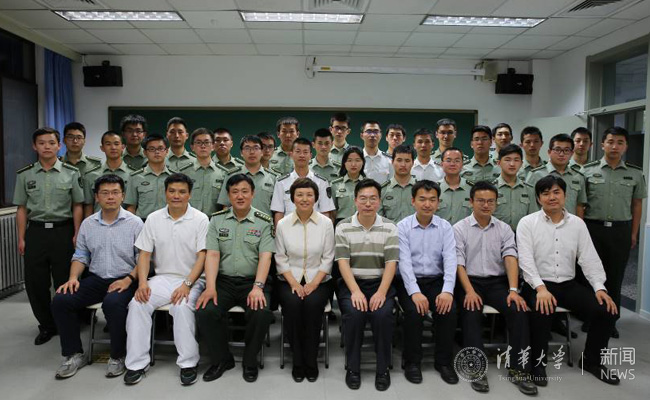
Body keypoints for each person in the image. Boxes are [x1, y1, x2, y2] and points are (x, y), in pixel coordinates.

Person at [517, 175, 620, 385]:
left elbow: (589, 258)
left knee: (607, 310)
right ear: (538, 198)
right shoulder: (527, 223)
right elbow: (525, 261)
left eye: (557, 192)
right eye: (546, 193)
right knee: (541, 310)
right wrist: (541, 289)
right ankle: (537, 363)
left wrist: (599, 288)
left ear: (565, 195)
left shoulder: (578, 224)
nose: (552, 197)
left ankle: (591, 361)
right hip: (537, 284)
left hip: (568, 284)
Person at [51, 175, 143, 379]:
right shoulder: (88, 224)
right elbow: (81, 255)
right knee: (61, 300)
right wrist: (73, 278)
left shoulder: (135, 223)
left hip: (126, 279)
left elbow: (143, 259)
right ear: (97, 197)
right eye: (105, 193)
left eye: (115, 192)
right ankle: (74, 354)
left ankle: (118, 356)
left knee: (112, 303)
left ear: (123, 196)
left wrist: (129, 279)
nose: (110, 197)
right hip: (96, 279)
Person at [123, 173, 208, 386]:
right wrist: (143, 283)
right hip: (162, 278)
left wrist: (187, 284)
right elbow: (144, 254)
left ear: (189, 195)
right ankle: (136, 364)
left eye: (182, 192)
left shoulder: (200, 219)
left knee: (181, 307)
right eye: (172, 191)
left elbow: (202, 257)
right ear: (165, 193)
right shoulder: (153, 218)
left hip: (192, 279)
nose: (176, 196)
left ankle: (188, 363)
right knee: (137, 303)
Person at [453, 181, 536, 395]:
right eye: (481, 200)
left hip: (497, 283)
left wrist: (513, 290)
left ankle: (519, 369)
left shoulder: (503, 228)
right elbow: (458, 263)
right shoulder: (459, 228)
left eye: (490, 201)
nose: (486, 205)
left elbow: (510, 257)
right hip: (469, 281)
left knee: (518, 310)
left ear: (496, 203)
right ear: (471, 202)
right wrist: (469, 291)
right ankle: (476, 369)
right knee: (471, 311)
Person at [196, 174, 275, 383]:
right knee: (206, 311)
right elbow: (213, 255)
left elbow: (265, 257)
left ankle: (250, 361)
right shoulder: (217, 220)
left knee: (261, 312)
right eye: (235, 192)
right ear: (228, 195)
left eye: (244, 191)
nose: (240, 196)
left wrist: (258, 287)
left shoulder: (264, 221)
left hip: (253, 281)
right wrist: (210, 287)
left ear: (253, 194)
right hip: (223, 281)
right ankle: (222, 360)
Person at [13, 127, 84, 345]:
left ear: (58, 146)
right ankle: (46, 325)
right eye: (42, 143)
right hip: (35, 232)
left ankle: (65, 321)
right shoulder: (25, 175)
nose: (47, 147)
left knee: (65, 280)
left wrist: (77, 233)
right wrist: (21, 238)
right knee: (36, 282)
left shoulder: (71, 172)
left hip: (63, 231)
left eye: (51, 143)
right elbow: (21, 209)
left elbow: (77, 205)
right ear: (34, 146)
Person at [583, 126, 646, 338]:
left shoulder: (635, 173)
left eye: (620, 142)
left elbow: (637, 205)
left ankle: (610, 321)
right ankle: (591, 318)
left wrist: (634, 233)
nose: (614, 146)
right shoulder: (588, 171)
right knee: (591, 276)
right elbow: (581, 204)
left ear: (626, 146)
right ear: (602, 144)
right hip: (593, 229)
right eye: (610, 142)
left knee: (615, 278)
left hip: (621, 231)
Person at [336, 179, 399, 392]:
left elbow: (391, 263)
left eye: (373, 198)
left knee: (382, 315)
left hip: (381, 283)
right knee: (355, 315)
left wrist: (381, 292)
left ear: (379, 201)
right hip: (352, 283)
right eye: (363, 198)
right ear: (355, 201)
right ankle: (353, 368)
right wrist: (355, 291)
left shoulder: (390, 227)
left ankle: (383, 369)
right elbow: (342, 263)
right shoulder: (343, 227)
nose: (368, 203)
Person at [396, 180, 459, 385]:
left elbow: (450, 260)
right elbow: (404, 263)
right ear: (413, 201)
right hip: (409, 282)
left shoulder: (445, 227)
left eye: (432, 200)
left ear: (438, 203)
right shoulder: (403, 227)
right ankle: (412, 362)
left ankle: (444, 362)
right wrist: (415, 292)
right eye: (422, 199)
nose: (427, 204)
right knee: (414, 312)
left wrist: (447, 291)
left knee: (448, 311)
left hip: (436, 281)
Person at [275, 178, 334, 383]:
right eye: (299, 195)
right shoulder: (283, 224)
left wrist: (313, 284)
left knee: (312, 305)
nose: (304, 199)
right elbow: (280, 258)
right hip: (288, 279)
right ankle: (297, 360)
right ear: (292, 198)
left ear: (316, 198)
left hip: (319, 279)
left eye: (309, 195)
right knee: (292, 305)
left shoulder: (326, 223)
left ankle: (311, 360)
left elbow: (328, 257)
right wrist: (294, 283)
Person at [271, 138, 335, 225]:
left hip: (315, 228)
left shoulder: (322, 182)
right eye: (298, 152)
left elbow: (325, 212)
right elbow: (279, 212)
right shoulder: (281, 183)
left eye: (305, 152)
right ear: (291, 154)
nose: (302, 155)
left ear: (310, 155)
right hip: (289, 229)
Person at [526, 134, 587, 217]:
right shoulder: (536, 175)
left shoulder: (578, 176)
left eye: (566, 150)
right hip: (543, 222)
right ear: (549, 152)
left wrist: (578, 223)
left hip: (569, 223)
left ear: (572, 153)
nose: (561, 154)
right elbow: (529, 204)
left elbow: (579, 205)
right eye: (557, 150)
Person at [218, 135, 277, 216]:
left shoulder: (273, 177)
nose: (252, 152)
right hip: (237, 222)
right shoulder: (231, 175)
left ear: (262, 152)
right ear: (241, 153)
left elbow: (277, 209)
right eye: (247, 148)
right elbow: (226, 205)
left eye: (256, 148)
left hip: (264, 223)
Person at [177, 128, 230, 216]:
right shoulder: (183, 173)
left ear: (213, 146)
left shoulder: (223, 173)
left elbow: (226, 205)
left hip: (214, 220)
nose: (203, 146)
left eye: (206, 142)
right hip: (189, 220)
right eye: (198, 142)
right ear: (192, 147)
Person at [83, 130, 135, 217]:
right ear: (102, 148)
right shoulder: (91, 175)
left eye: (116, 144)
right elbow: (88, 205)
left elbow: (132, 205)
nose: (113, 147)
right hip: (99, 222)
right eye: (108, 144)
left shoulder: (133, 174)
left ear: (123, 147)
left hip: (124, 221)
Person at [124, 134, 175, 220]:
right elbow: (131, 207)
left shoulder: (175, 177)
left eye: (160, 148)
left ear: (167, 151)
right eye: (152, 149)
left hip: (170, 221)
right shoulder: (135, 177)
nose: (157, 152)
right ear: (145, 152)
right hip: (143, 222)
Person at [493, 144, 538, 231]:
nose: (512, 164)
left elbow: (534, 218)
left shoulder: (529, 189)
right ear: (498, 163)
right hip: (496, 236)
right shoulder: (490, 189)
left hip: (522, 236)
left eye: (516, 160)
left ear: (521, 163)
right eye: (507, 160)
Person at [379, 145, 417, 223]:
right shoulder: (382, 190)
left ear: (413, 163)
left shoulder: (420, 189)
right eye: (399, 160)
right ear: (392, 162)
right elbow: (378, 220)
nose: (403, 164)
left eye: (407, 161)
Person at [437, 147, 473, 225]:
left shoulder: (472, 189)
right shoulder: (434, 189)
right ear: (442, 164)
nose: (452, 164)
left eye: (457, 161)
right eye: (448, 160)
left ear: (462, 164)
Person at [331, 146, 365, 225]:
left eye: (357, 160)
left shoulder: (369, 185)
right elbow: (332, 212)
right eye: (349, 160)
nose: (353, 164)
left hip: (364, 224)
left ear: (363, 162)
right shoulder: (335, 185)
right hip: (342, 225)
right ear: (344, 163)